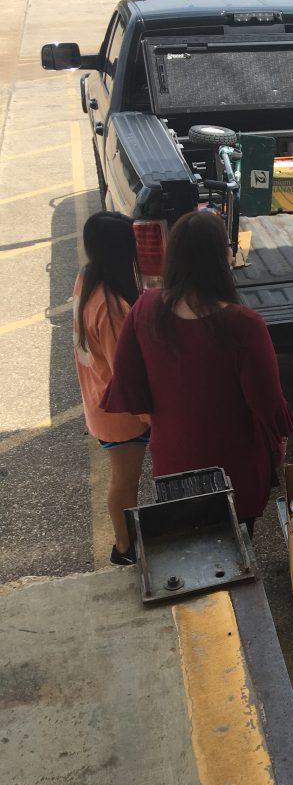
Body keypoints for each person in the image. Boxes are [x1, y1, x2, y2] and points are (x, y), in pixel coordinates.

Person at [102, 209, 293, 532]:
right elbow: (268, 403)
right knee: (236, 547)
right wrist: (278, 445)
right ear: (222, 258)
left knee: (190, 551)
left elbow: (128, 383)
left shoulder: (145, 308)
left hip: (173, 463)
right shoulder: (243, 324)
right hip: (235, 468)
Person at [73, 212, 149, 566]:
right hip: (120, 415)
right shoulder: (113, 306)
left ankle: (126, 541)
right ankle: (124, 548)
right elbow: (127, 374)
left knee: (123, 480)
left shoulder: (85, 279)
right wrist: (152, 417)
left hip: (98, 402)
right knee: (124, 482)